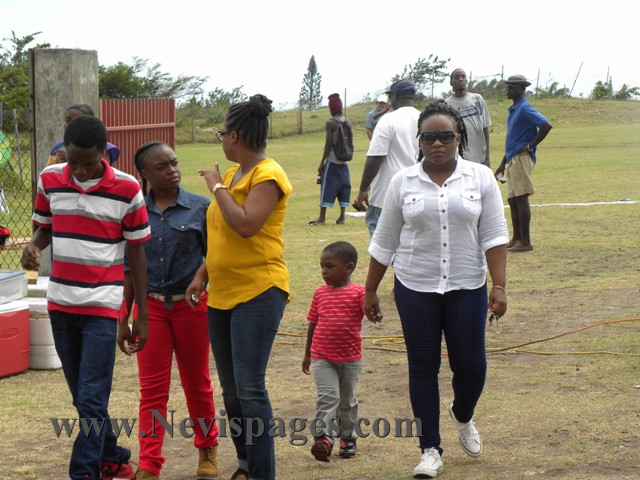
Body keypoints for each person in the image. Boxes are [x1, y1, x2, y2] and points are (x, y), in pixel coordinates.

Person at [363, 101, 508, 478]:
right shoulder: (402, 182)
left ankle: (462, 413)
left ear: (459, 138)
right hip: (415, 286)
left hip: (467, 285)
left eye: (445, 136)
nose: (437, 143)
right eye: (429, 137)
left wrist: (499, 285)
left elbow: (494, 235)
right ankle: (430, 449)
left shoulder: (480, 177)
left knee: (471, 366)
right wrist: (370, 290)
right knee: (423, 367)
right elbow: (384, 241)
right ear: (420, 141)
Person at [21, 115, 150, 480]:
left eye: (89, 163)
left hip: (102, 305)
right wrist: (33, 247)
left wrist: (140, 313)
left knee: (92, 397)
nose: (79, 170)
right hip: (60, 302)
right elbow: (44, 229)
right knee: (83, 398)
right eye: (73, 162)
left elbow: (137, 251)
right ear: (64, 151)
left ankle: (83, 472)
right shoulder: (50, 179)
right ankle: (113, 456)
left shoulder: (127, 188)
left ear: (104, 152)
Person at [186, 93, 292, 480]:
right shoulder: (233, 175)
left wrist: (216, 187)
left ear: (235, 136)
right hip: (222, 294)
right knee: (231, 391)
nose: (222, 141)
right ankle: (246, 463)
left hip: (259, 290)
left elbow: (246, 225)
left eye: (222, 134)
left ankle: (262, 472)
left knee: (250, 388)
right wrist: (202, 273)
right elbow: (222, 236)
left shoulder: (268, 175)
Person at [117, 142, 220, 480]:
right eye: (162, 167)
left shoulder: (201, 208)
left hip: (192, 308)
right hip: (151, 311)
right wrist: (124, 318)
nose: (172, 170)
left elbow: (216, 256)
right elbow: (130, 271)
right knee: (152, 391)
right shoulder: (134, 212)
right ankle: (149, 463)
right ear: (145, 174)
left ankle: (207, 449)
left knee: (197, 383)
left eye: (174, 163)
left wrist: (200, 279)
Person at [302, 241, 366, 462]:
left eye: (329, 266)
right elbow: (313, 324)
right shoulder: (320, 293)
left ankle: (348, 438)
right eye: (322, 266)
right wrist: (307, 354)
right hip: (322, 357)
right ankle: (323, 439)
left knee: (346, 402)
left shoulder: (358, 292)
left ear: (348, 268)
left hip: (350, 358)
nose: (324, 271)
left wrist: (375, 309)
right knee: (328, 398)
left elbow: (370, 309)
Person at [354, 79, 421, 237]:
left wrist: (363, 190)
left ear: (395, 96)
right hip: (416, 192)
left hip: (386, 194)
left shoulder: (388, 120)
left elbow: (375, 157)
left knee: (380, 243)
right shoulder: (424, 118)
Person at [494, 74, 553, 252]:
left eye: (511, 87)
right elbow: (512, 140)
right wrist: (502, 164)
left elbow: (546, 125)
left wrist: (530, 145)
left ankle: (525, 242)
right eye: (507, 87)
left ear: (521, 88)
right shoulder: (514, 109)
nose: (508, 90)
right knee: (513, 200)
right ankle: (516, 238)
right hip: (512, 159)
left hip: (521, 159)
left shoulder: (525, 108)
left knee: (521, 198)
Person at [309, 93, 352, 226]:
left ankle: (322, 218)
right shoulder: (347, 122)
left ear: (331, 108)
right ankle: (342, 217)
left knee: (327, 187)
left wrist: (322, 162)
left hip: (332, 161)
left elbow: (328, 144)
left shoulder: (331, 123)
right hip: (344, 162)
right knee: (344, 187)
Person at [445, 68, 492, 167]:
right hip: (461, 159)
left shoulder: (478, 99)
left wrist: (487, 155)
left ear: (467, 80)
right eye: (456, 77)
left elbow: (485, 128)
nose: (460, 79)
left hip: (481, 158)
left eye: (463, 76)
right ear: (451, 83)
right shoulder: (447, 104)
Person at [48, 104, 120, 166]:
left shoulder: (101, 146)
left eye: (78, 120)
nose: (71, 124)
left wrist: (69, 158)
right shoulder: (59, 146)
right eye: (68, 120)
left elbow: (101, 169)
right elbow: (49, 169)